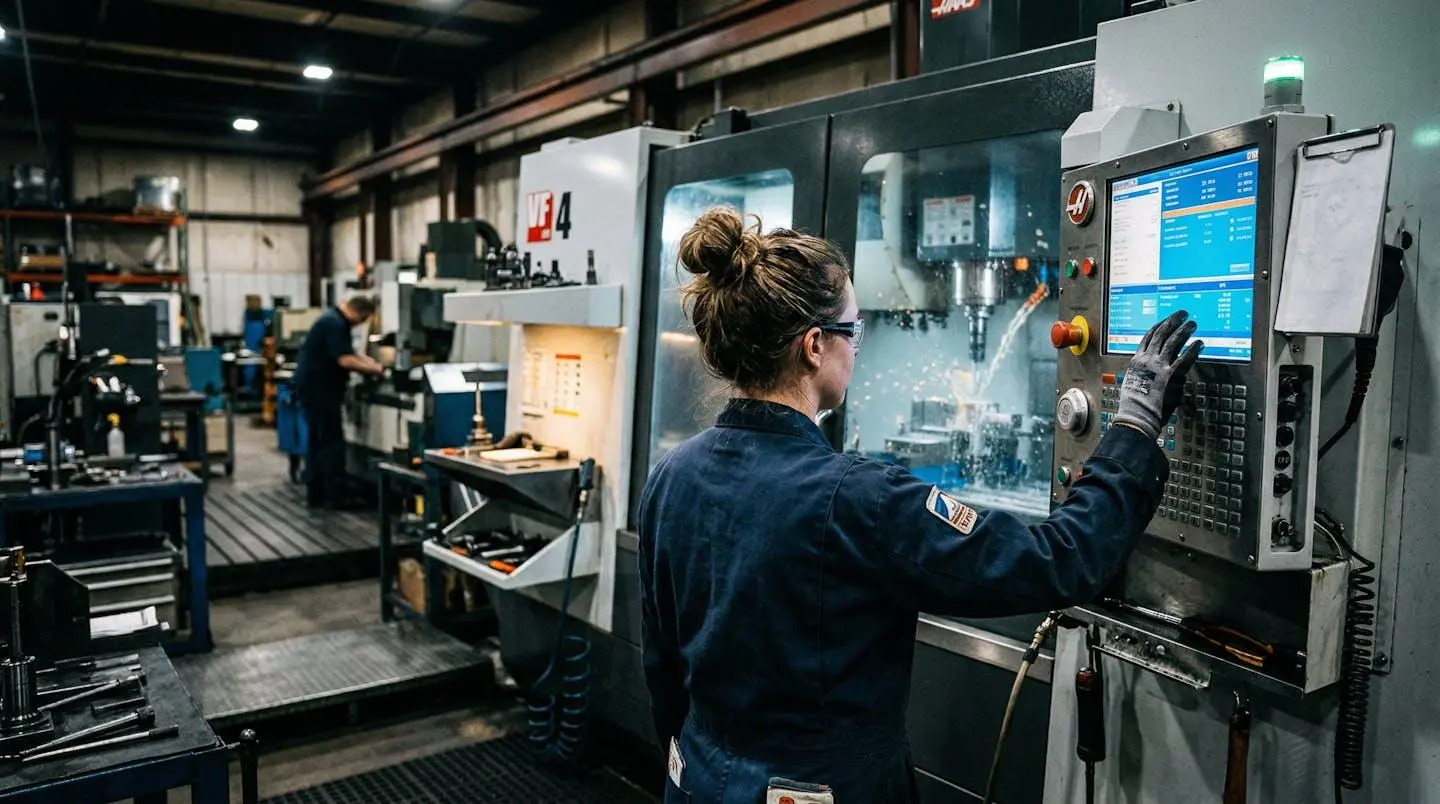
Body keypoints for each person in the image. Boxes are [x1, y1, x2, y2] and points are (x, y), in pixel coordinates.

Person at [637, 208, 1202, 803]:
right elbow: (1059, 561)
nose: (857, 351)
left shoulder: (672, 474)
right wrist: (1135, 426)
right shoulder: (861, 499)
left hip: (695, 778)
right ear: (812, 346)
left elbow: (663, 672)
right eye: (853, 333)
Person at [293, 295, 384, 509]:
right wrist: (378, 369)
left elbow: (351, 352)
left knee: (318, 441)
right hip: (320, 392)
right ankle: (334, 496)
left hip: (315, 390)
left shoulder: (332, 320)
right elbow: (345, 360)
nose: (360, 324)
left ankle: (317, 494)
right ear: (359, 313)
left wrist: (371, 363)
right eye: (363, 320)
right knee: (330, 442)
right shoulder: (335, 324)